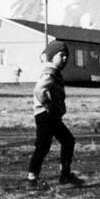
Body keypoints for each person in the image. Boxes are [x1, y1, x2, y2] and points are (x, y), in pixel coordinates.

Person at [27, 40, 84, 188]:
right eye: (61, 55)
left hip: (50, 115)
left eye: (66, 56)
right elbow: (39, 90)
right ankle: (32, 179)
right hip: (45, 115)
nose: (65, 58)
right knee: (43, 146)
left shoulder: (54, 72)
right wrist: (48, 105)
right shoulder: (49, 72)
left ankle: (65, 175)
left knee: (67, 141)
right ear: (52, 56)